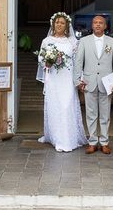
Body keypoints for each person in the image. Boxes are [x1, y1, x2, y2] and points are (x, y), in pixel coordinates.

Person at [37, 12, 88, 152]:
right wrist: (47, 61)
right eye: (57, 22)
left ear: (67, 26)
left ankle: (68, 138)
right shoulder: (46, 41)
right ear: (53, 24)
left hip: (68, 79)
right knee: (55, 107)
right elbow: (41, 60)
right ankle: (56, 137)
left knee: (67, 106)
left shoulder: (73, 41)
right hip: (53, 78)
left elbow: (78, 61)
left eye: (62, 23)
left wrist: (80, 78)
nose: (59, 24)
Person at [73, 15, 113, 154]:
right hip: (89, 82)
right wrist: (77, 81)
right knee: (90, 114)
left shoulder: (112, 42)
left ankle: (105, 142)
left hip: (106, 84)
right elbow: (78, 62)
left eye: (101, 22)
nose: (98, 24)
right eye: (95, 22)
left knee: (105, 115)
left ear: (105, 26)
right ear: (92, 25)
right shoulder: (83, 41)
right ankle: (93, 142)